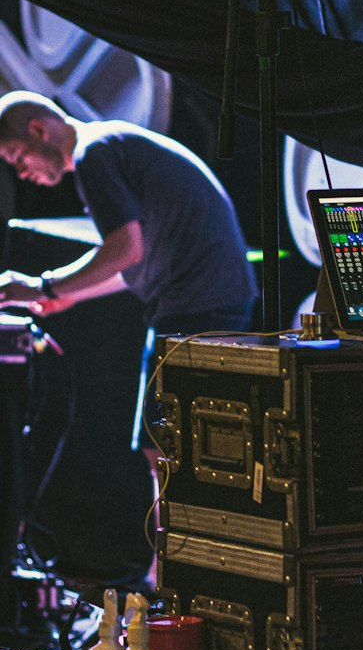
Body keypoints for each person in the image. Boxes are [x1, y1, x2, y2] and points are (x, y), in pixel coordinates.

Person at [0, 91, 258, 572]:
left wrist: (39, 284)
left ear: (38, 129)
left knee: (164, 451)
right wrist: (69, 294)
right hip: (206, 300)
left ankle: (169, 585)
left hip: (196, 306)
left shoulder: (95, 153)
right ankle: (172, 577)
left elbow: (125, 250)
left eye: (17, 158)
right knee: (170, 449)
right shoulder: (112, 144)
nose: (22, 174)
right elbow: (129, 262)